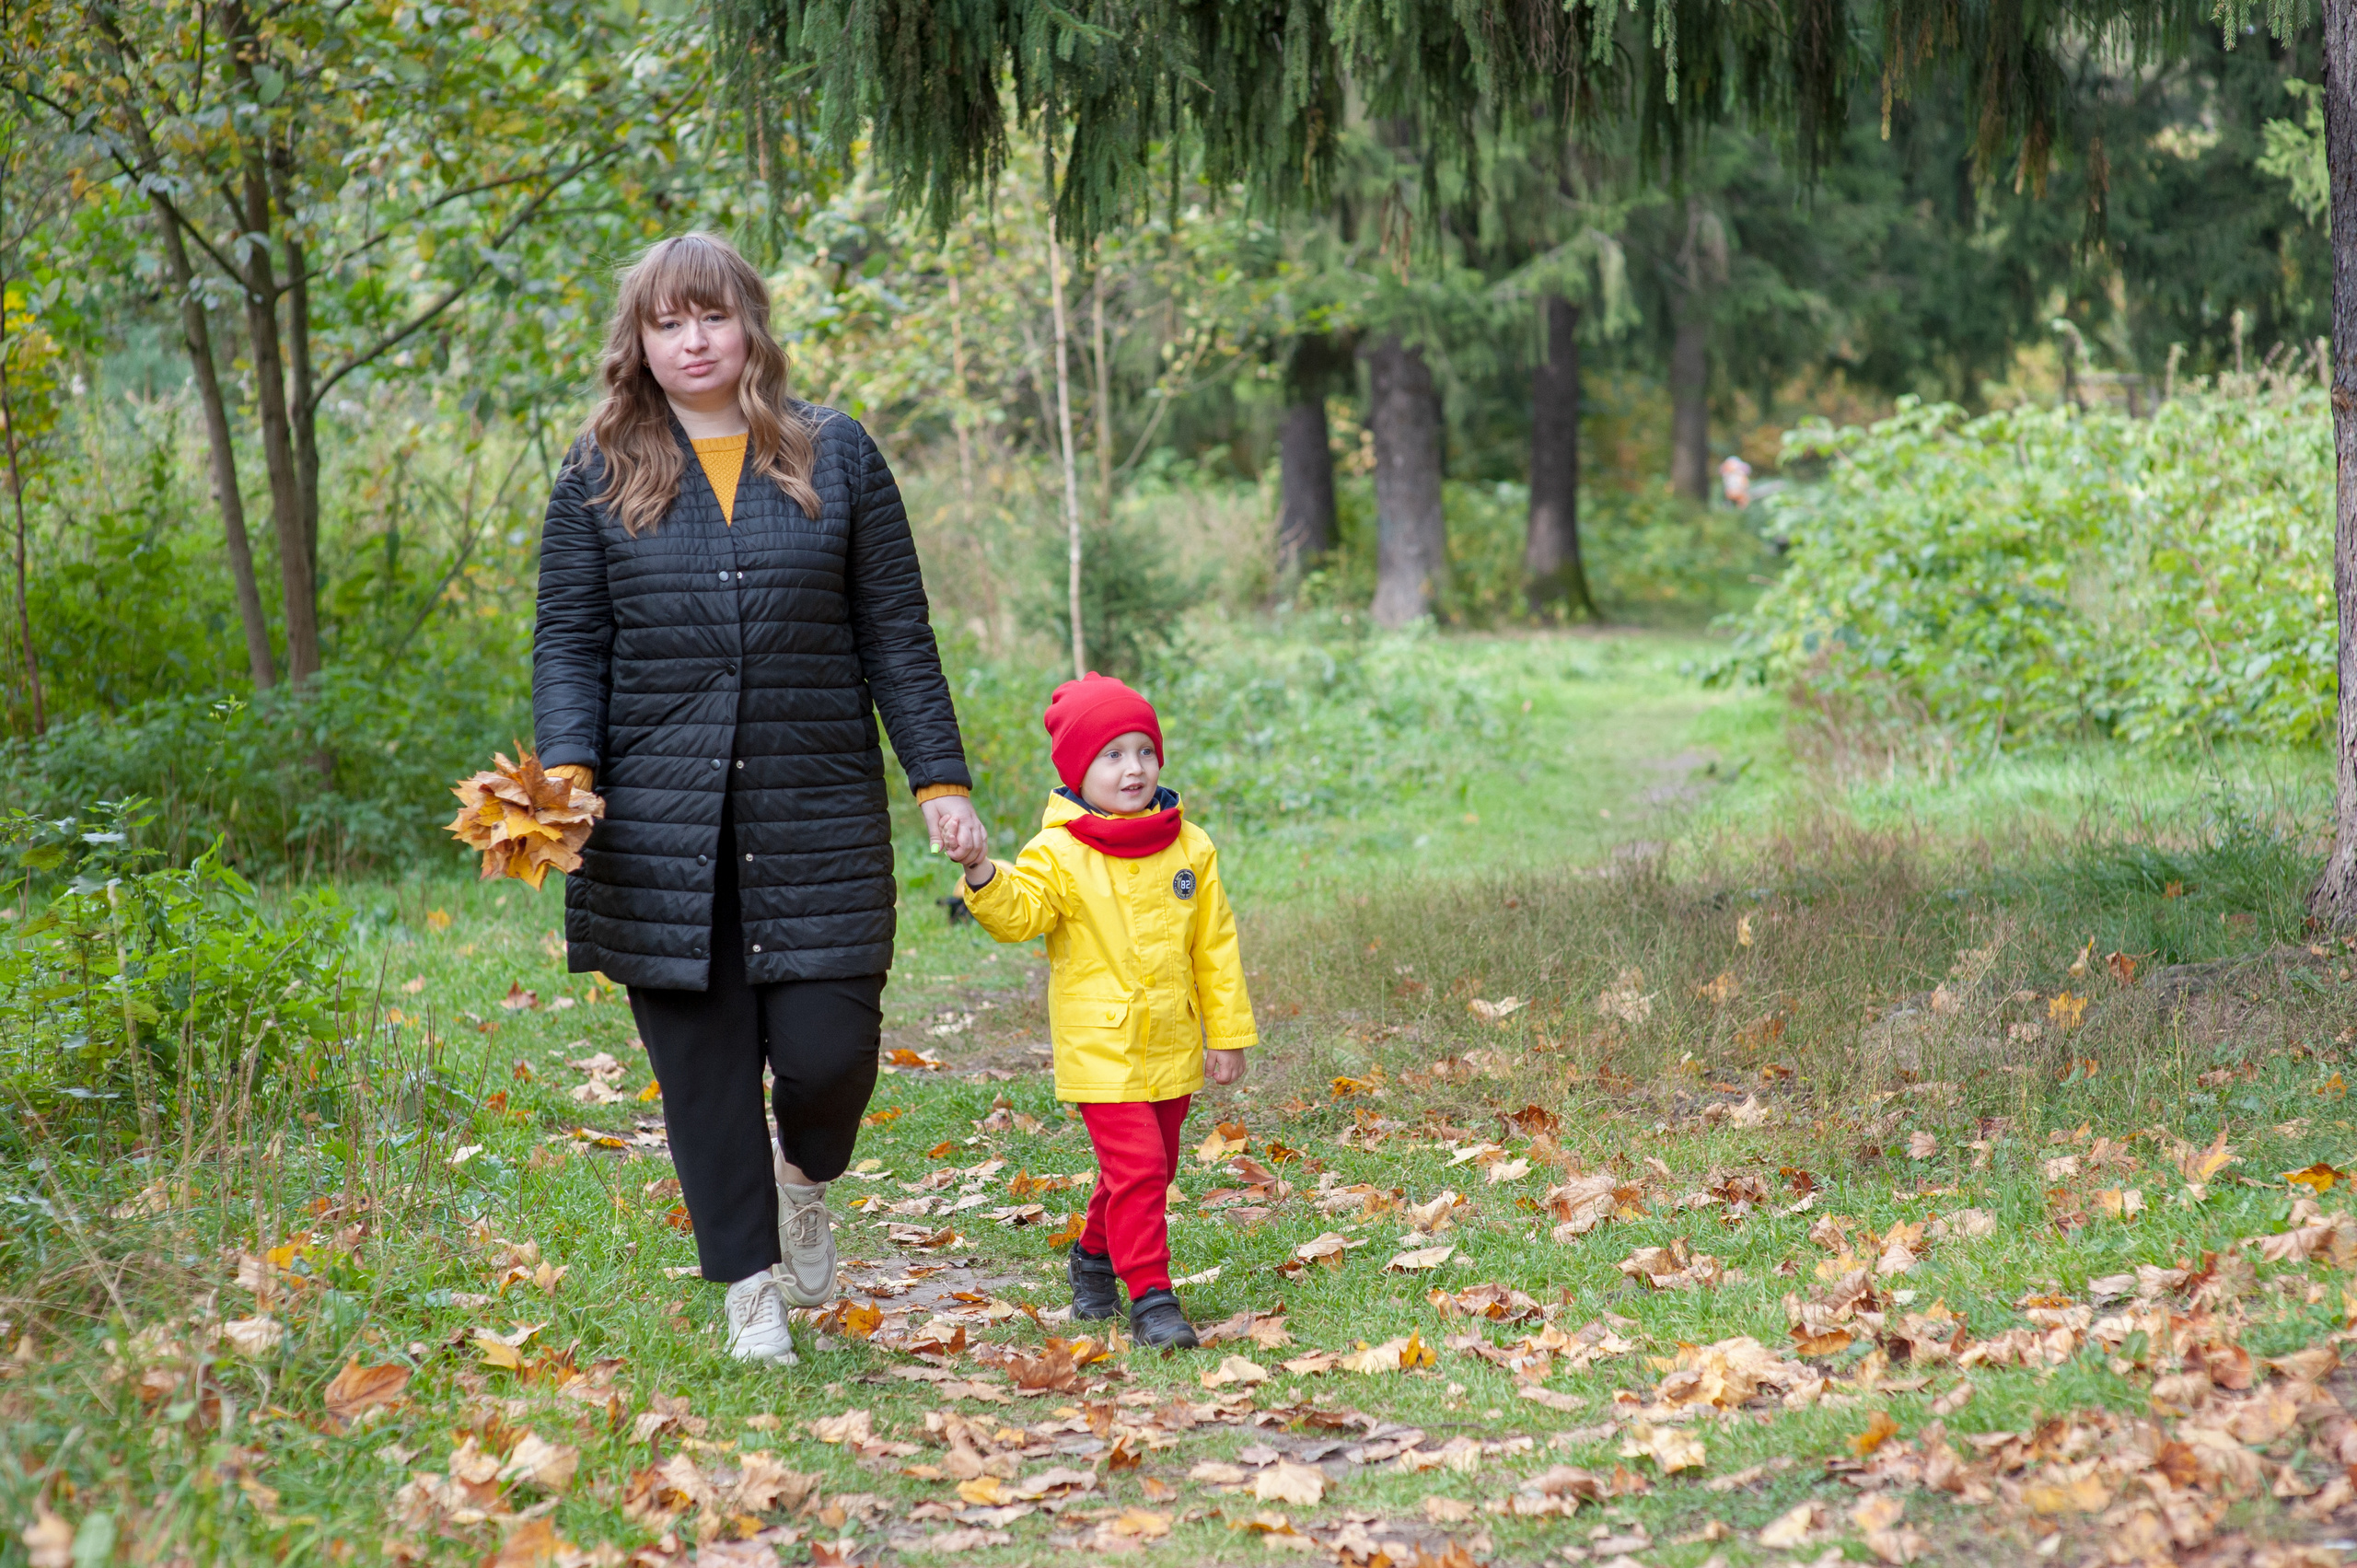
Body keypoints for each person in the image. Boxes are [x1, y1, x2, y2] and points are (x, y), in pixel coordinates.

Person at [532, 232, 987, 1364]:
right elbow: (569, 641)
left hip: (815, 805)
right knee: (704, 1070)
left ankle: (805, 1175)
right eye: (667, 322)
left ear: (751, 328)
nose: (693, 341)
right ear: (639, 342)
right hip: (656, 825)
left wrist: (939, 776)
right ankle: (748, 1290)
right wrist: (569, 774)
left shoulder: (836, 455)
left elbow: (896, 632)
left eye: (713, 317)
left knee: (829, 1051)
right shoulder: (595, 471)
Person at [944, 674, 1256, 1347]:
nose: (1133, 768)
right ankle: (1152, 1299)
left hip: (1171, 1040)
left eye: (1143, 750)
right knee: (1139, 1167)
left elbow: (1215, 946)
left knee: (1151, 1169)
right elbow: (1020, 911)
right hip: (1102, 1047)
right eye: (1112, 755)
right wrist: (979, 872)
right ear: (1079, 770)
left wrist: (1225, 1032)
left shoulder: (1189, 846)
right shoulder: (1059, 851)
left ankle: (1093, 1254)